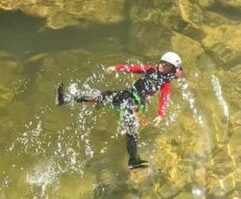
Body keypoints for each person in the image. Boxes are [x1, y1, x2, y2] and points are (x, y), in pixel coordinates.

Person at [56, 51, 184, 170]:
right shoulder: (151, 69)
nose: (162, 65)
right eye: (162, 62)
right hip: (126, 95)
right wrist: (116, 67)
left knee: (131, 128)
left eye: (167, 65)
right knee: (101, 96)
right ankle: (65, 99)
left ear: (172, 69)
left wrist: (161, 114)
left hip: (134, 103)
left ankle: (133, 160)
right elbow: (134, 68)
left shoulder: (166, 83)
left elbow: (165, 97)